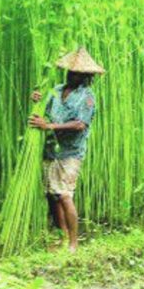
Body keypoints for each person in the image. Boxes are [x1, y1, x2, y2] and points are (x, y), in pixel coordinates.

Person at [29, 47, 104, 252]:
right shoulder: (57, 90)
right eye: (71, 71)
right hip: (51, 149)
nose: (72, 74)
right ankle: (61, 236)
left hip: (71, 152)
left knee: (64, 195)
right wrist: (36, 100)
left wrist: (50, 126)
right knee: (52, 195)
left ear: (86, 76)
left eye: (78, 72)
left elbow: (80, 124)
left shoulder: (87, 97)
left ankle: (73, 242)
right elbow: (43, 113)